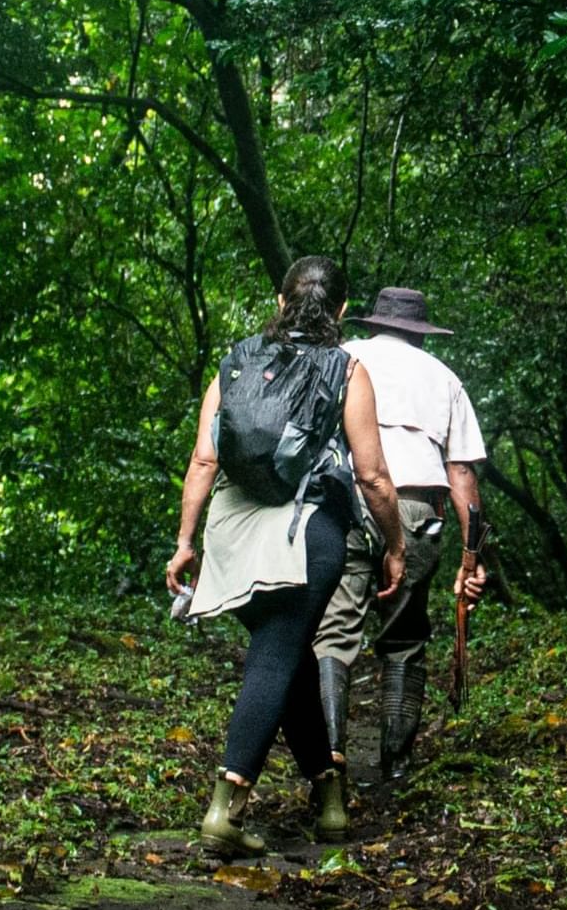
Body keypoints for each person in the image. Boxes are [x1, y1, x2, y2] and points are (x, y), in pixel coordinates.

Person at [165, 256, 407, 855]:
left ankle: (329, 796)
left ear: (280, 301)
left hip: (233, 529)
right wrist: (394, 544)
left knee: (286, 650)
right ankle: (226, 807)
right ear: (343, 310)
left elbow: (203, 460)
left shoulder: (235, 362)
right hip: (311, 535)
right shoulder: (346, 370)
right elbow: (373, 476)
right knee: (279, 652)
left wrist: (186, 542)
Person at [312, 287, 488, 784]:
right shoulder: (444, 378)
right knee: (405, 636)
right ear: (420, 332)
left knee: (334, 630)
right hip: (414, 509)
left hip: (343, 502)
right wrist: (472, 557)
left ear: (373, 324)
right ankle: (397, 764)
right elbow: (462, 476)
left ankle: (330, 764)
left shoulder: (342, 358)